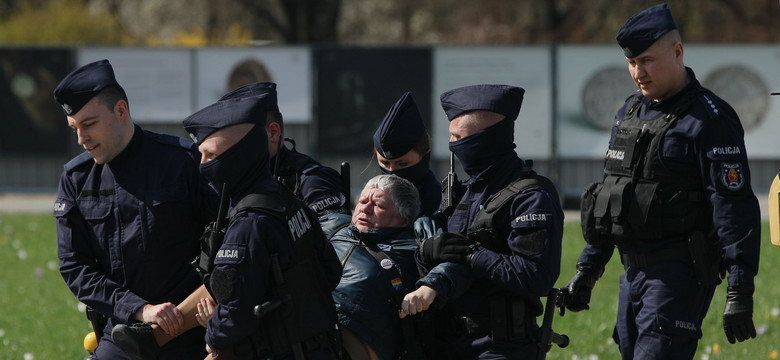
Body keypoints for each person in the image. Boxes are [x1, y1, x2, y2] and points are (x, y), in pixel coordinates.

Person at [563, 3, 761, 359]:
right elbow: (611, 196)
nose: (639, 71)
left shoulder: (709, 118)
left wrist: (739, 289)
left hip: (678, 275)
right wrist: (589, 269)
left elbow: (733, 206)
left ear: (678, 52)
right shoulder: (630, 112)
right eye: (632, 62)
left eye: (648, 60)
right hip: (632, 275)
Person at [52, 59, 218, 359]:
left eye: (89, 125)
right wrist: (139, 309)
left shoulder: (182, 163)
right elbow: (75, 266)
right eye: (74, 128)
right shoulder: (76, 180)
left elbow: (224, 242)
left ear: (121, 111)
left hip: (196, 328)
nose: (81, 139)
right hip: (125, 332)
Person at [401, 84, 564, 359]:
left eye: (459, 138)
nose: (453, 146)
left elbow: (537, 276)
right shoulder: (461, 192)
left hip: (500, 347)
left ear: (486, 139)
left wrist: (472, 254)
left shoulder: (530, 196)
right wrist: (427, 247)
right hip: (447, 341)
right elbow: (442, 255)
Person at [186, 94, 342, 359]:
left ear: (238, 156)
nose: (203, 165)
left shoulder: (249, 223)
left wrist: (213, 330)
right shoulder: (287, 200)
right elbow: (331, 271)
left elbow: (236, 316)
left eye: (211, 154)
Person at [320, 174, 422, 360]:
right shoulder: (333, 227)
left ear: (405, 220)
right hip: (307, 334)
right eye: (362, 201)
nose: (365, 209)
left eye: (379, 206)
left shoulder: (412, 253)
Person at [218, 81, 351, 218]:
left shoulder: (312, 181)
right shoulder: (232, 182)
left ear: (274, 132)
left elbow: (335, 233)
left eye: (240, 136)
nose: (231, 146)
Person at [373, 92, 442, 217]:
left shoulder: (441, 205)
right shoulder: (369, 202)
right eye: (385, 163)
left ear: (425, 155)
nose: (392, 171)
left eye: (402, 163)